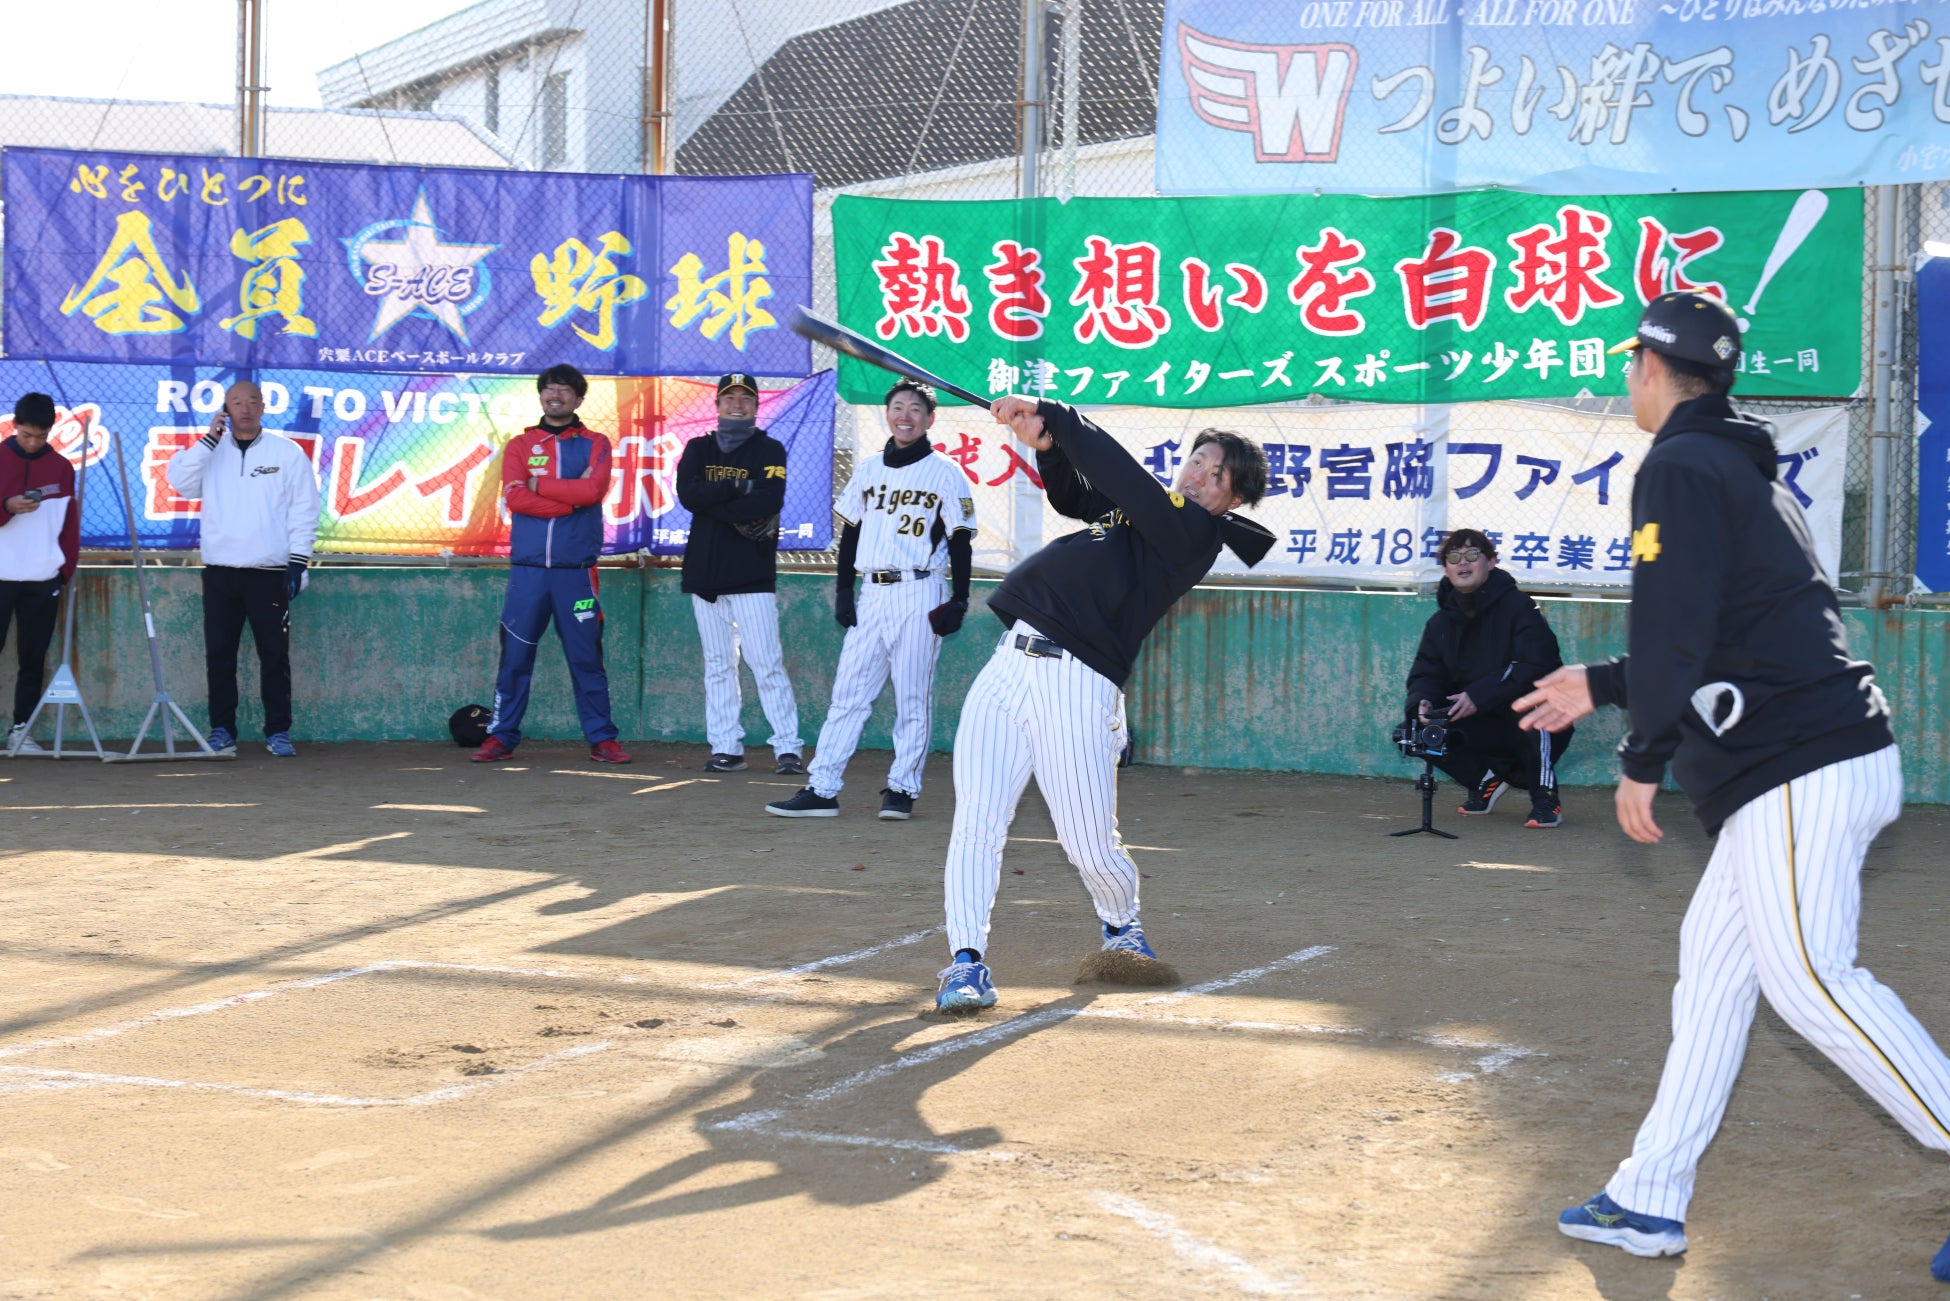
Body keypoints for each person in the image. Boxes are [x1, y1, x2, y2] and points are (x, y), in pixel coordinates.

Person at [1514, 291, 1950, 1281]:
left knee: (1812, 979)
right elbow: (1718, 628)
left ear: (1655, 369)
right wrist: (1607, 683)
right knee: (1714, 967)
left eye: (1631, 362)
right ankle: (1648, 1194)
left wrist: (1640, 756)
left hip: (1801, 765)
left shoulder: (1679, 463)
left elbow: (1678, 628)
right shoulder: (1736, 466)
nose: (1627, 376)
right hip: (1799, 765)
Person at [934, 395, 1273, 1012]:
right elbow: (1077, 498)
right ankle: (965, 963)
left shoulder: (1191, 533)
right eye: (1197, 461)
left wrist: (1057, 416)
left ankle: (1122, 924)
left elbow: (1126, 480)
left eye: (1217, 474)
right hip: (1008, 665)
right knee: (976, 825)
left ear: (1234, 500)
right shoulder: (1146, 513)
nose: (1198, 476)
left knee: (1088, 846)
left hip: (1078, 680)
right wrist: (1050, 449)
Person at [767, 380, 977, 821]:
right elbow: (852, 535)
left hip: (921, 590)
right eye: (897, 406)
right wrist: (844, 591)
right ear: (887, 414)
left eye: (915, 409)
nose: (905, 415)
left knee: (912, 698)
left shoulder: (944, 470)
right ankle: (822, 788)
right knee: (848, 696)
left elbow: (960, 538)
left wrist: (959, 599)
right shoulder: (867, 468)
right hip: (873, 593)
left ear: (930, 419)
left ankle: (901, 790)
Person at [470, 364, 630, 765]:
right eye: (549, 389)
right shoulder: (521, 446)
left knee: (586, 659)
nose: (555, 396)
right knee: (515, 658)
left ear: (578, 399)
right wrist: (571, 499)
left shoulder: (596, 443)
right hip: (527, 575)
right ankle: (501, 736)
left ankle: (602, 739)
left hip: (576, 575)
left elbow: (594, 490)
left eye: (564, 390)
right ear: (541, 396)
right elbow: (516, 498)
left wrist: (541, 486)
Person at [165, 380, 319, 757]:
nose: (245, 408)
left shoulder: (287, 453)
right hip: (220, 572)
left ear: (264, 408)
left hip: (269, 572)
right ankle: (222, 731)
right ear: (225, 410)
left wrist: (297, 561)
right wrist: (207, 441)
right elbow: (180, 484)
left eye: (252, 402)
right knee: (219, 655)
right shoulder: (209, 452)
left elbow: (304, 507)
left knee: (274, 655)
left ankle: (278, 732)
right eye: (237, 402)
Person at [1403, 527, 1573, 828]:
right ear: (1445, 568)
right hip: (1477, 722)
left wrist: (1479, 695)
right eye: (1454, 557)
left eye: (1472, 555)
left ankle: (1545, 798)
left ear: (1491, 562)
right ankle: (1484, 782)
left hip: (1522, 717)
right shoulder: (1439, 622)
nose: (1463, 563)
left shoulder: (1519, 607)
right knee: (1411, 730)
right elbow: (1427, 671)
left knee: (1538, 708)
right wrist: (1424, 700)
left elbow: (1537, 664)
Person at [677, 372, 803, 775]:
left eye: (745, 398)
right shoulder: (698, 448)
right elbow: (687, 495)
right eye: (729, 397)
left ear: (755, 405)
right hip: (705, 572)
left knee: (766, 661)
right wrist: (740, 488)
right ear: (716, 405)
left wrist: (716, 502)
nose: (737, 403)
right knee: (718, 663)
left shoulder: (769, 448)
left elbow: (770, 499)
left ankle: (787, 748)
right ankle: (726, 747)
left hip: (752, 575)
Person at [1, 393, 79, 755]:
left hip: (42, 578)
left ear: (51, 430)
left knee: (33, 658)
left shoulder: (62, 468)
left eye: (40, 436)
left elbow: (69, 526)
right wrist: (6, 507)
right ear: (14, 425)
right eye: (26, 434)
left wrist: (63, 570)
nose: (33, 443)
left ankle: (22, 730)